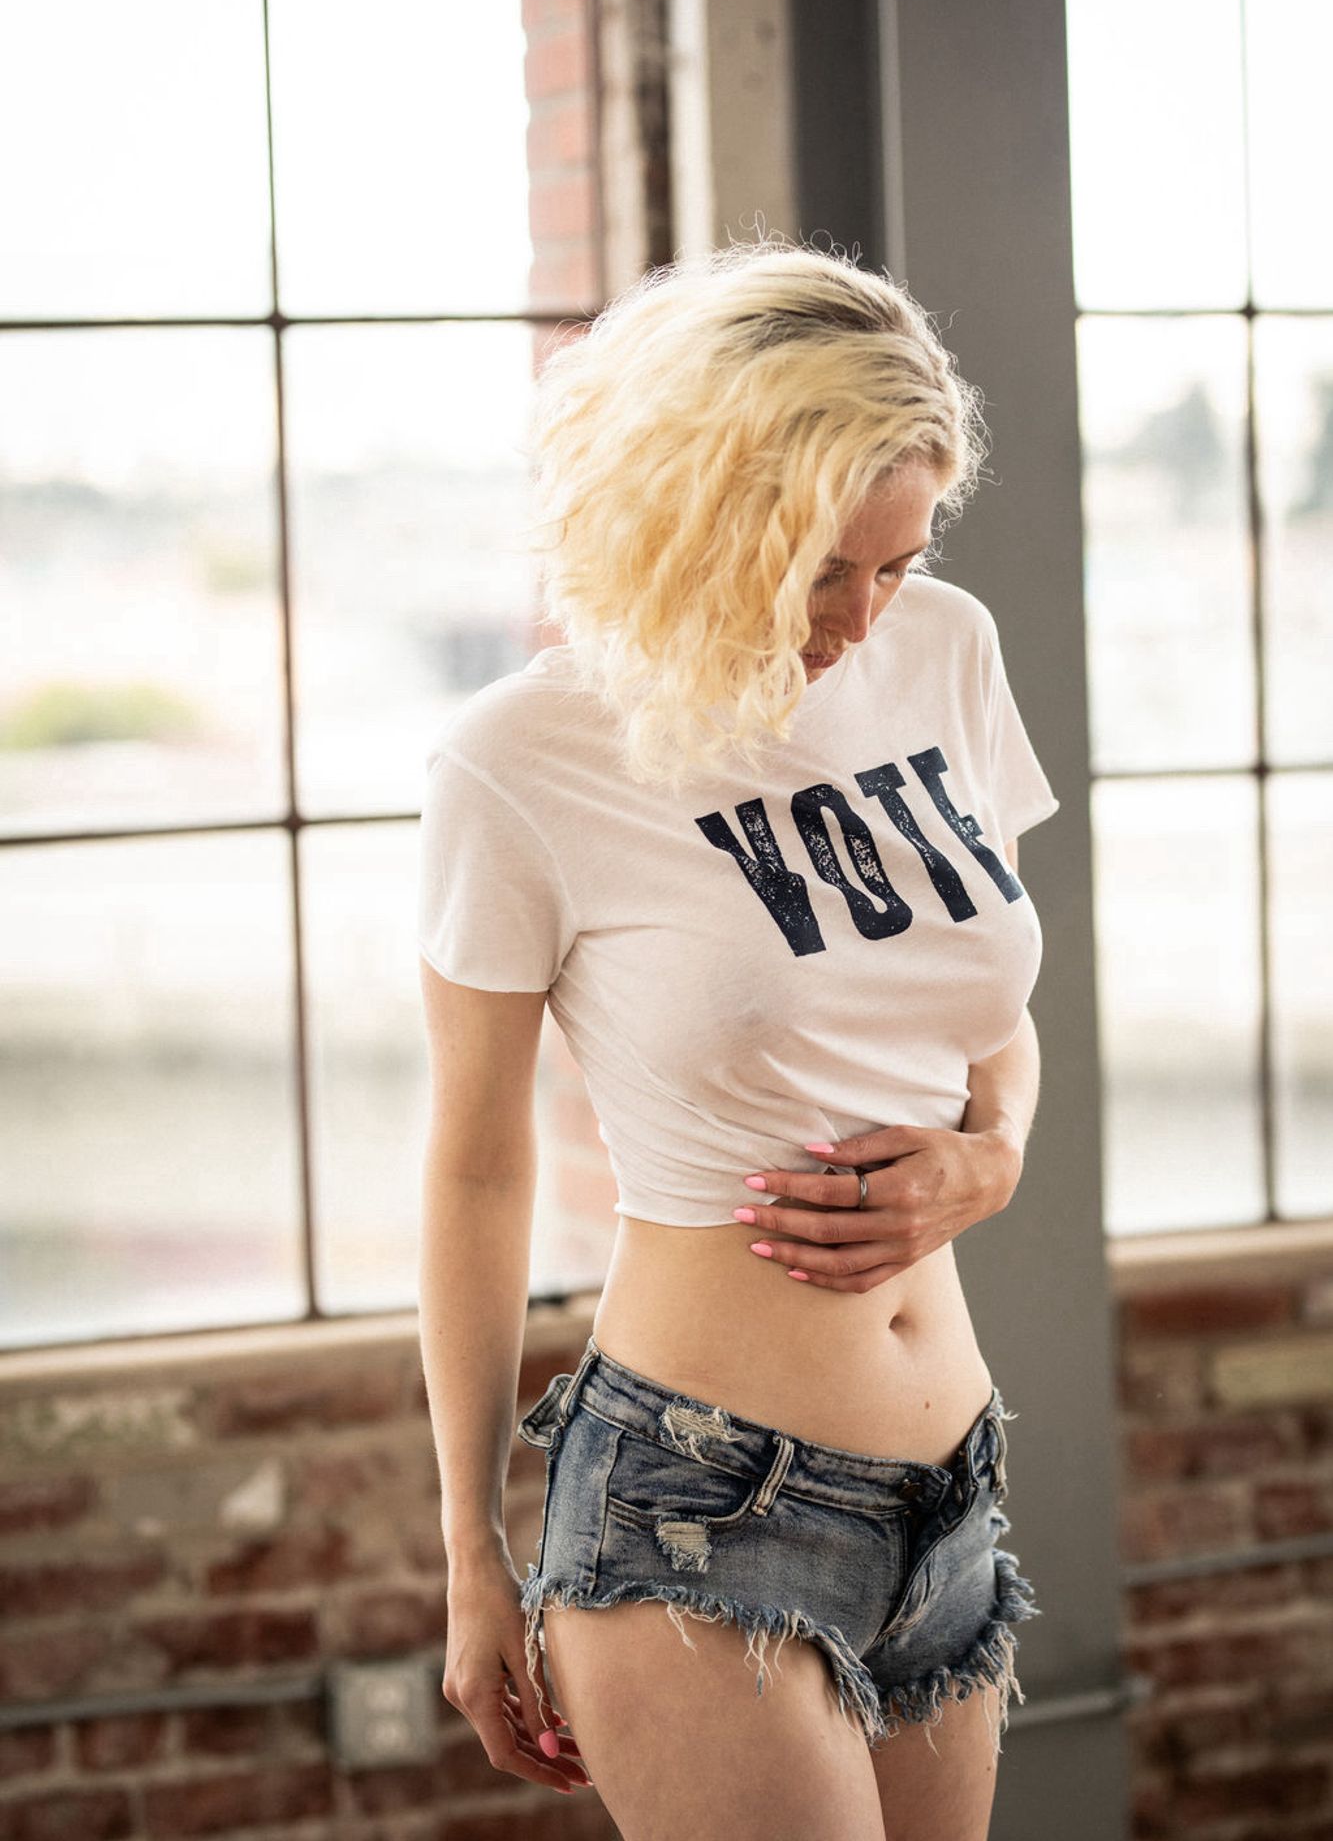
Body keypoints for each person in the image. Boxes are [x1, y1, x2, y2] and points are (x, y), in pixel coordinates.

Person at [415, 239, 1061, 1841]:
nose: (858, 616)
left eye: (895, 562)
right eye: (816, 567)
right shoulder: (522, 760)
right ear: (693, 517)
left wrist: (991, 1162)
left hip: (946, 1493)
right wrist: (467, 1551)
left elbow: (995, 1014)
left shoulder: (944, 650)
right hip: (693, 1509)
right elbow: (477, 1170)